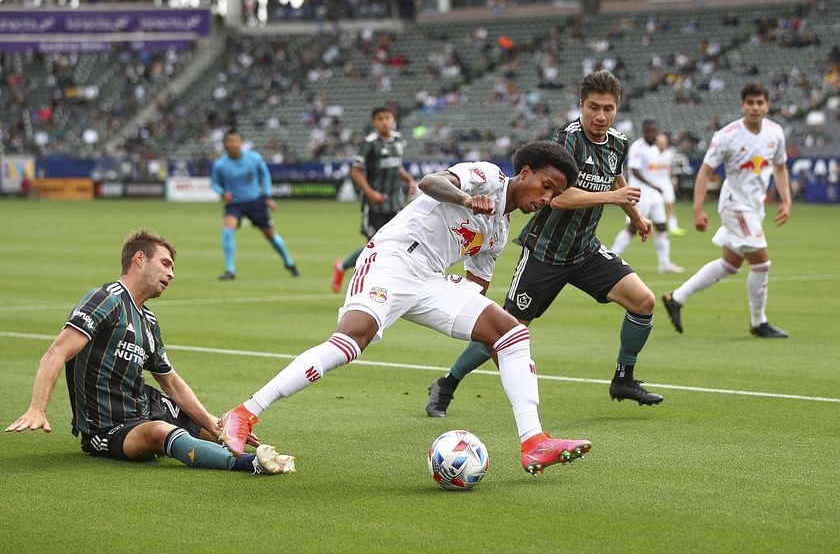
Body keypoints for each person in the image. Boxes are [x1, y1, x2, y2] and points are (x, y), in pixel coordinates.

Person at [220, 142, 591, 476]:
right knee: (351, 341)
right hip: (392, 260)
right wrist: (465, 199)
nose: (547, 198)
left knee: (510, 334)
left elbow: (477, 285)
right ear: (525, 173)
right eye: (546, 186)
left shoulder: (499, 231)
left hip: (430, 281)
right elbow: (430, 182)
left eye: (555, 194)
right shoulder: (488, 177)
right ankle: (245, 412)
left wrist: (468, 305)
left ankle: (534, 442)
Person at [426, 70, 662, 420]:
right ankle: (447, 382)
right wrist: (614, 198)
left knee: (643, 301)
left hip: (584, 249)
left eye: (608, 109)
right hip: (546, 252)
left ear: (617, 109)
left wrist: (635, 216)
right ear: (580, 105)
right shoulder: (567, 141)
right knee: (506, 328)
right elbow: (558, 199)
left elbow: (615, 176)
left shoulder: (617, 142)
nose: (600, 116)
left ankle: (623, 378)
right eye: (593, 107)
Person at [5, 231, 294, 475]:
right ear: (139, 259)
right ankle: (249, 465)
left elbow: (171, 382)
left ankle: (262, 453)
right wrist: (37, 407)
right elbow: (57, 352)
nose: (172, 273)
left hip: (144, 405)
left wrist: (219, 429)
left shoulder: (148, 320)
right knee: (159, 431)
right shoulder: (106, 299)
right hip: (108, 428)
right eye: (166, 264)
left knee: (211, 426)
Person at [662, 82, 792, 338]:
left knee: (730, 264)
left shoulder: (775, 133)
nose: (755, 108)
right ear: (742, 105)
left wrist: (786, 200)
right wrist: (698, 209)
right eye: (750, 103)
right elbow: (705, 171)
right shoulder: (727, 135)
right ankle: (758, 322)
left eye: (760, 103)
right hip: (735, 205)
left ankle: (676, 298)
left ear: (767, 105)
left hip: (754, 206)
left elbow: (780, 168)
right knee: (762, 263)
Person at [332, 106, 417, 293]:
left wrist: (409, 180)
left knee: (397, 243)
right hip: (374, 205)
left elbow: (396, 166)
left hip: (395, 203)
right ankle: (352, 274)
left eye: (387, 117)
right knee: (374, 246)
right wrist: (370, 192)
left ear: (393, 120)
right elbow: (356, 172)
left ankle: (386, 284)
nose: (384, 121)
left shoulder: (399, 140)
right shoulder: (370, 143)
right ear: (374, 123)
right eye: (380, 119)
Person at [211, 129, 299, 281]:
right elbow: (214, 184)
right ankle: (230, 270)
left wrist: (268, 196)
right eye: (230, 141)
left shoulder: (254, 158)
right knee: (227, 230)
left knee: (270, 235)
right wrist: (223, 192)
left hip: (255, 201)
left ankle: (289, 263)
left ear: (242, 142)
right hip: (235, 204)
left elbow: (264, 175)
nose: (234, 144)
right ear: (225, 144)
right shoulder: (220, 165)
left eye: (237, 140)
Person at [611, 119, 684, 273]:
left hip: (655, 195)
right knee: (632, 228)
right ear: (644, 131)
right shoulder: (638, 147)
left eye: (653, 131)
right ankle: (612, 257)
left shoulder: (656, 148)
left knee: (661, 226)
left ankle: (664, 264)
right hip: (641, 193)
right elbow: (634, 169)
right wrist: (653, 184)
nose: (651, 133)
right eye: (648, 131)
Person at [655, 132, 686, 236]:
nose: (661, 143)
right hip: (653, 183)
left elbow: (671, 169)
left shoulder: (670, 154)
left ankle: (673, 227)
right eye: (659, 141)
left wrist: (674, 180)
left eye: (663, 142)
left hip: (666, 182)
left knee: (670, 205)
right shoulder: (652, 153)